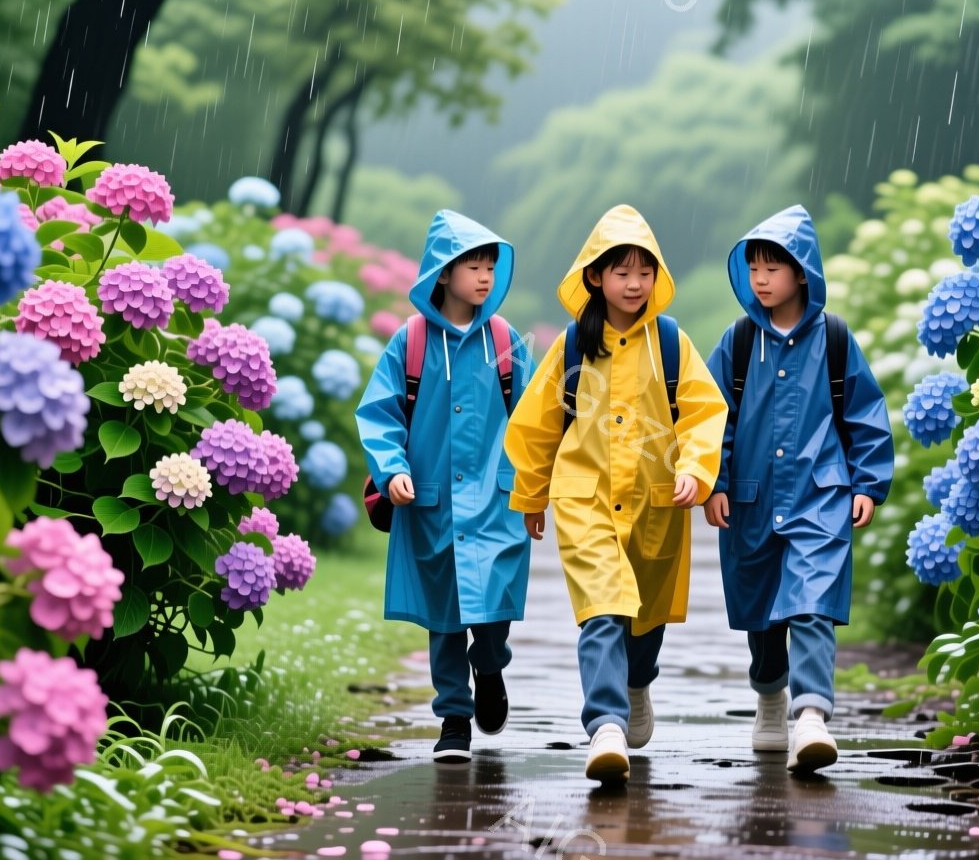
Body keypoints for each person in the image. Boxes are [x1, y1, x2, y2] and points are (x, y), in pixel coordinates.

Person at [503, 204, 728, 784]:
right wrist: (531, 494)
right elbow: (537, 424)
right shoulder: (571, 347)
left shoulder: (670, 343)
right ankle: (605, 725)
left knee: (645, 617)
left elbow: (704, 412)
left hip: (657, 502)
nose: (634, 284)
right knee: (602, 609)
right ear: (595, 276)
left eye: (645, 272)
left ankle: (637, 683)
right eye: (622, 272)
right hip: (585, 500)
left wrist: (696, 470)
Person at [704, 204, 895, 773]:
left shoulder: (833, 339)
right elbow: (713, 418)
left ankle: (811, 715)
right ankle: (770, 695)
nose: (761, 279)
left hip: (821, 495)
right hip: (752, 499)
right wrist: (715, 482)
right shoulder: (739, 342)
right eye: (753, 268)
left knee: (812, 603)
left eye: (773, 268)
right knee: (762, 612)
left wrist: (868, 482)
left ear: (801, 273)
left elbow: (864, 414)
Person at [356, 210, 535, 764]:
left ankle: (491, 664)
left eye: (490, 267)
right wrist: (392, 469)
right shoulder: (410, 342)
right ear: (443, 273)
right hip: (431, 501)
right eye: (472, 266)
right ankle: (454, 717)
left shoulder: (505, 340)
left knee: (495, 601)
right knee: (444, 614)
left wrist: (537, 486)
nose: (484, 277)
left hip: (497, 502)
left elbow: (534, 418)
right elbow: (381, 413)